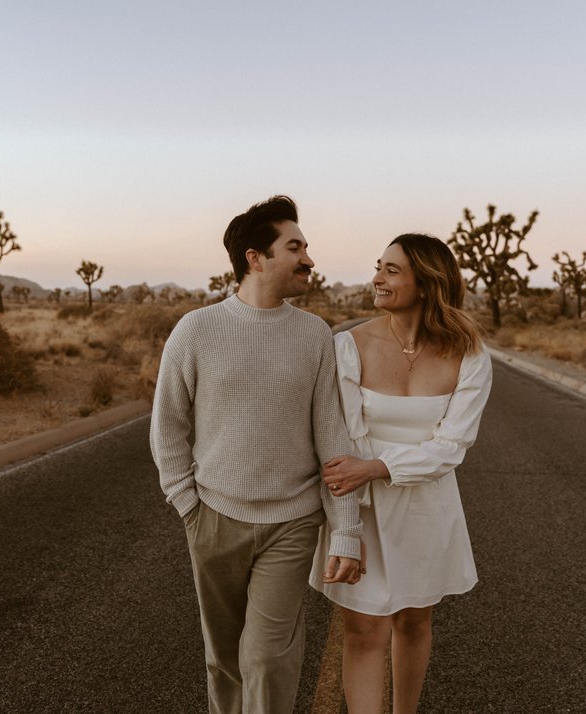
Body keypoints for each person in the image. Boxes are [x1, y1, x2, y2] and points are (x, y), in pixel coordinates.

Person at [150, 195, 363, 714]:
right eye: (295, 247)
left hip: (291, 522)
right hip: (214, 519)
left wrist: (346, 528)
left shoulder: (314, 335)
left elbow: (332, 436)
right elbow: (168, 426)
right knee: (224, 659)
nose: (309, 260)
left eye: (307, 248)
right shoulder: (196, 331)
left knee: (267, 660)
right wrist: (187, 506)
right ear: (255, 258)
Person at [309, 233, 492, 713]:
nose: (377, 279)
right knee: (364, 626)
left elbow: (452, 446)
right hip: (361, 504)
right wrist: (347, 523)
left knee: (414, 620)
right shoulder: (347, 346)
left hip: (428, 505)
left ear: (427, 282)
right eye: (378, 267)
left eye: (391, 270)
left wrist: (378, 466)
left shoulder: (469, 354)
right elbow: (341, 438)